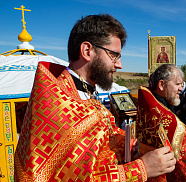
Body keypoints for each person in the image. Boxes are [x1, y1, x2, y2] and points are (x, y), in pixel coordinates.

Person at [14, 14, 176, 181]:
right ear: (87, 51)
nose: (119, 65)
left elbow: (97, 150)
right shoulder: (58, 105)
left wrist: (128, 147)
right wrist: (141, 169)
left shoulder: (82, 94)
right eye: (114, 55)